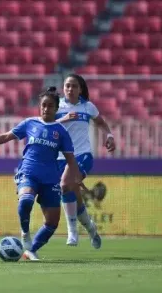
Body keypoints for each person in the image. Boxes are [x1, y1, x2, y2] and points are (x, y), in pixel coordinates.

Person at [0, 87, 81, 261]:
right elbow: (5, 137)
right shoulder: (29, 123)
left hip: (50, 179)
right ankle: (25, 232)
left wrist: (76, 177)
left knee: (52, 222)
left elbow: (71, 159)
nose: (46, 109)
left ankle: (31, 250)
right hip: (28, 172)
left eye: (50, 106)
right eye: (43, 105)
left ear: (56, 109)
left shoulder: (61, 132)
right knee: (25, 201)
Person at [56, 74, 116, 248]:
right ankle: (91, 229)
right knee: (74, 194)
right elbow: (46, 125)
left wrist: (109, 135)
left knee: (65, 185)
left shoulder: (87, 107)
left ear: (80, 89)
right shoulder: (57, 105)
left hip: (82, 155)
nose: (70, 89)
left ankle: (72, 231)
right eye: (67, 86)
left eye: (74, 86)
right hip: (59, 158)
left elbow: (101, 123)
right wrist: (64, 119)